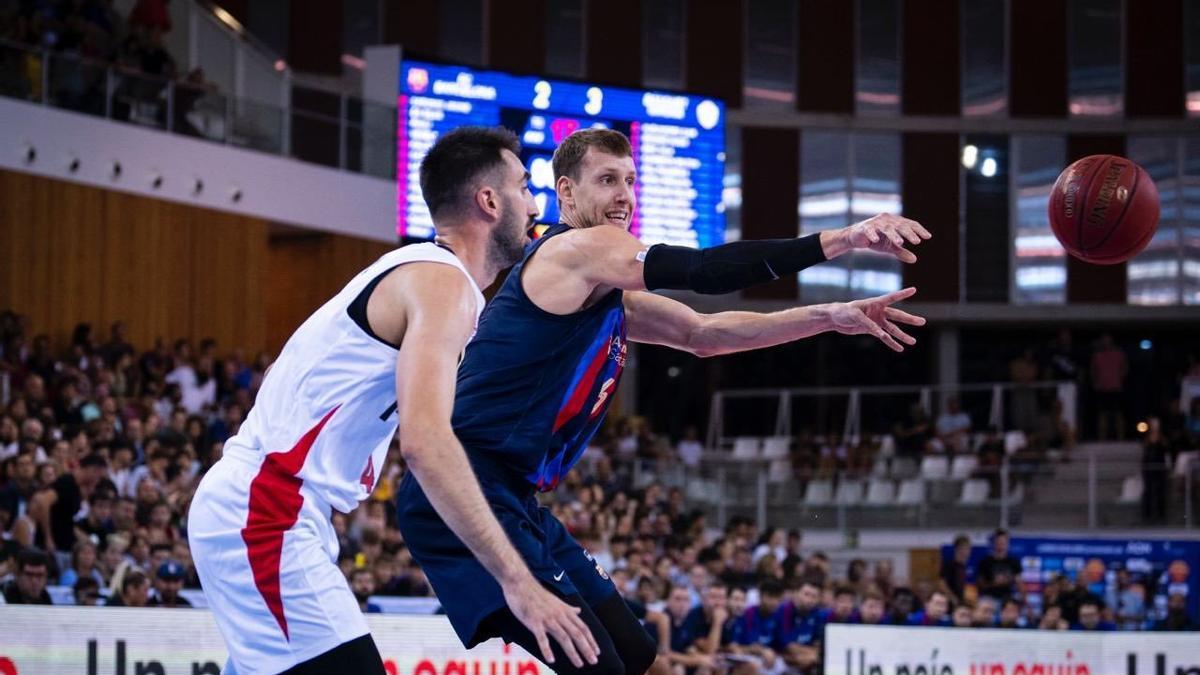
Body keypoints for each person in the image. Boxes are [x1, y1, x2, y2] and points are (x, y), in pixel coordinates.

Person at [398, 127, 928, 675]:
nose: (624, 194)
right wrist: (845, 239)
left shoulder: (604, 290)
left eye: (630, 180)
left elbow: (707, 333)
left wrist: (829, 317)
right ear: (567, 194)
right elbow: (706, 272)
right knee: (604, 670)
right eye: (607, 180)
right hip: (464, 488)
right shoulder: (574, 251)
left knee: (644, 661)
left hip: (515, 497)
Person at [188, 127, 598, 675]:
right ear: (489, 201)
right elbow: (426, 444)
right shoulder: (441, 286)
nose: (535, 202)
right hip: (267, 508)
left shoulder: (430, 279)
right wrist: (517, 581)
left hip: (279, 510)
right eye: (525, 186)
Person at [976, 528, 1020, 602]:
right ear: (994, 543)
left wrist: (1026, 602)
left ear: (1007, 544)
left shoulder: (1013, 561)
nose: (1001, 545)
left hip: (1006, 600)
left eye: (1003, 542)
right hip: (988, 599)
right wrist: (994, 583)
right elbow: (980, 584)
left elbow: (1019, 583)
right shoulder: (985, 561)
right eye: (998, 542)